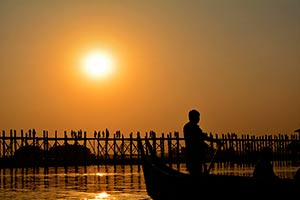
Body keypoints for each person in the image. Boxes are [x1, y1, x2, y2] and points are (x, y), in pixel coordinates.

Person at [183, 109, 220, 176]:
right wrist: (215, 141)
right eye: (198, 117)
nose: (199, 119)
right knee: (196, 172)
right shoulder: (193, 127)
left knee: (196, 173)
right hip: (194, 155)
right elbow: (201, 137)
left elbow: (200, 138)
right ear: (193, 117)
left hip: (193, 155)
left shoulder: (188, 127)